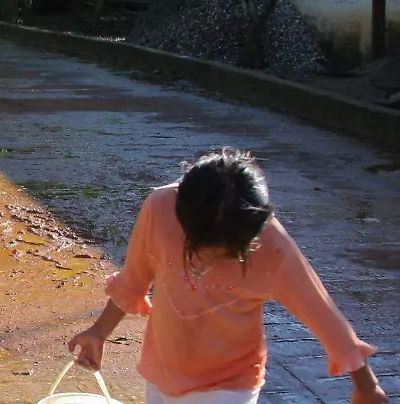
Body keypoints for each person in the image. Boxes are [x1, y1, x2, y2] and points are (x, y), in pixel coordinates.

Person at [68, 149, 388, 404]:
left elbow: (323, 313)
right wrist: (98, 332)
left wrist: (366, 386)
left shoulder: (272, 248)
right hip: (161, 370)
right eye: (200, 245)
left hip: (230, 382)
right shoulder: (161, 207)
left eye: (225, 250)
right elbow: (134, 278)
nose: (205, 259)